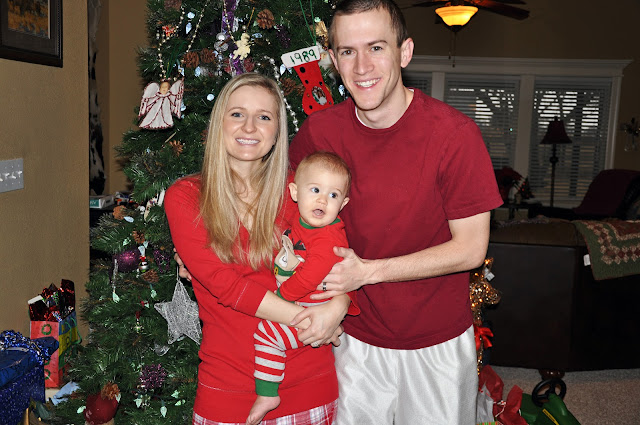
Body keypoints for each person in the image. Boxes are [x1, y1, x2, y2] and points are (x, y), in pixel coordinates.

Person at [288, 0, 504, 423]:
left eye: (376, 48)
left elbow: (470, 249)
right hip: (350, 340)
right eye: (347, 51)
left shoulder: (455, 136)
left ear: (404, 52)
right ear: (333, 60)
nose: (362, 66)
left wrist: (368, 272)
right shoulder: (319, 133)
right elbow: (282, 216)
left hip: (437, 344)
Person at [164, 73, 354, 425]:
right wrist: (314, 321)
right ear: (219, 122)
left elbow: (337, 257)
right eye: (237, 114)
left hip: (310, 384)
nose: (249, 127)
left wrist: (339, 305)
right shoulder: (187, 197)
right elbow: (225, 285)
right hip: (228, 389)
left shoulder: (301, 191)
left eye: (264, 117)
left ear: (277, 131)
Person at [248, 151, 353, 425]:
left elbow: (308, 278)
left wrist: (280, 298)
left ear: (343, 203)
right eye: (315, 190)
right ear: (295, 192)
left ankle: (268, 393)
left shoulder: (328, 237)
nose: (322, 200)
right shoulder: (301, 221)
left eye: (333, 195)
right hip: (303, 304)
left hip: (313, 311)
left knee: (267, 334)